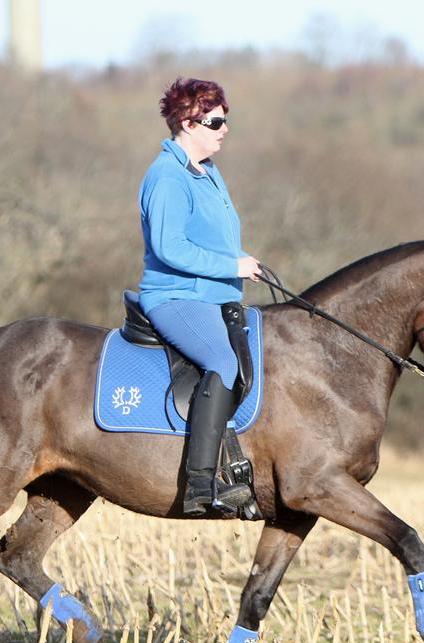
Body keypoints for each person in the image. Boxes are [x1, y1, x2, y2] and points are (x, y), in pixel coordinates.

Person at [139, 78, 261, 515]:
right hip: (176, 297)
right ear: (188, 123)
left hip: (213, 294)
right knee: (223, 362)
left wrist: (238, 260)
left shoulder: (208, 172)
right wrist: (232, 266)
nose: (224, 129)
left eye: (225, 121)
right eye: (215, 122)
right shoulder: (168, 177)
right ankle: (200, 485)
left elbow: (208, 239)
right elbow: (170, 247)